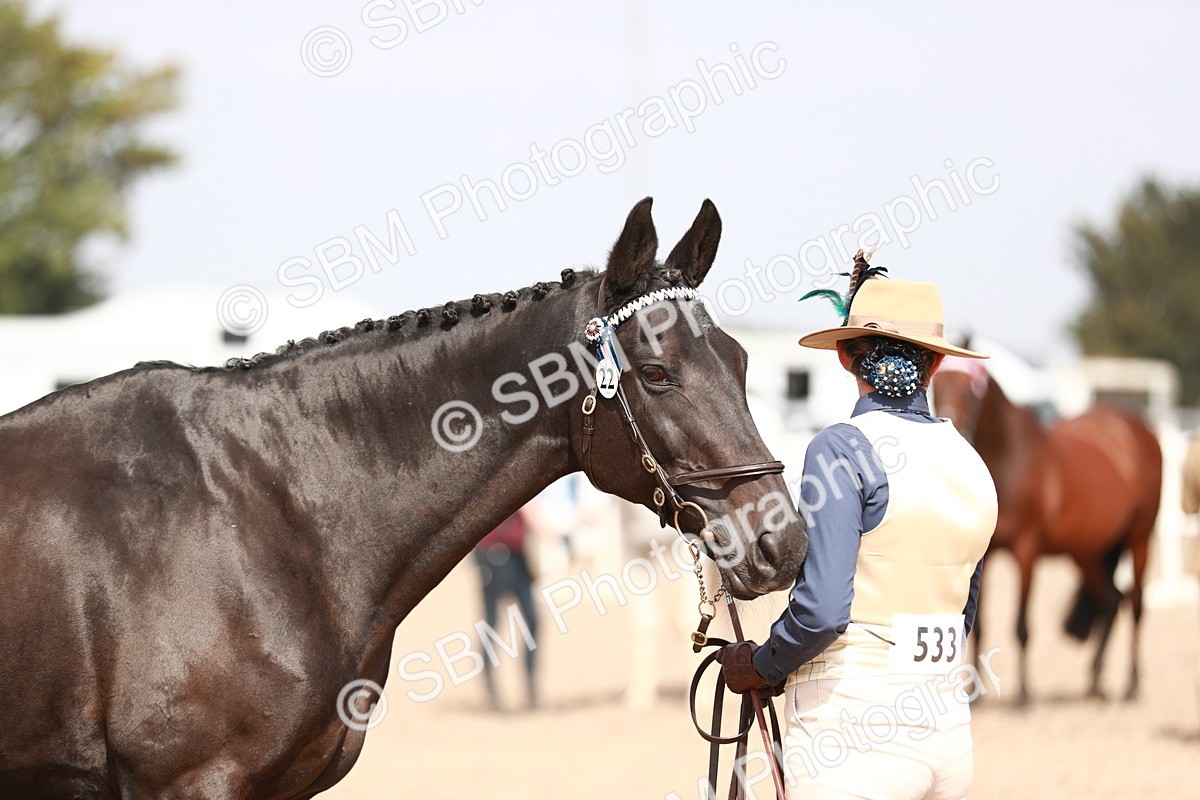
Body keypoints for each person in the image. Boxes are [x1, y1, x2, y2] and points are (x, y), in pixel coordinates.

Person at [716, 253, 998, 800]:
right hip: (948, 732)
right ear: (935, 365)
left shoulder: (840, 450)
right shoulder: (972, 464)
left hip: (852, 735)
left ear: (846, 357)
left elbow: (822, 611)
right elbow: (963, 613)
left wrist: (761, 665)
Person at [472, 509, 540, 710]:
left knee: (532, 620)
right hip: (490, 550)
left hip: (517, 552)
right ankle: (490, 691)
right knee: (492, 622)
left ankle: (530, 689)